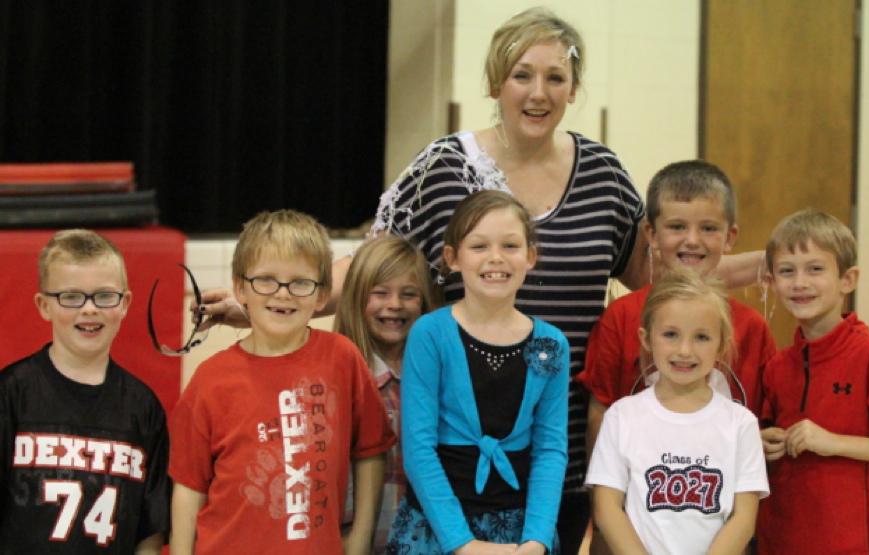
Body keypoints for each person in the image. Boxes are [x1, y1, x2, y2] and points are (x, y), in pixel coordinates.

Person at [194, 9, 764, 552]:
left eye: (555, 78)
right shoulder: (443, 168)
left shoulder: (605, 177)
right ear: (496, 83)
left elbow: (666, 281)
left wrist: (774, 268)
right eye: (522, 75)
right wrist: (279, 300)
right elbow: (370, 263)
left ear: (573, 89)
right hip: (454, 466)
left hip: (557, 460)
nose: (537, 92)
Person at [168, 210, 396, 555]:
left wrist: (360, 539)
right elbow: (189, 486)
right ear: (240, 288)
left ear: (322, 295)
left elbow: (371, 452)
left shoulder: (341, 358)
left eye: (300, 282)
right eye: (266, 280)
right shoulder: (210, 379)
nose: (283, 294)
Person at [385, 190, 569, 554]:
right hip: (438, 529)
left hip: (519, 532)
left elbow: (550, 449)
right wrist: (463, 545)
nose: (495, 258)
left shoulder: (551, 344)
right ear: (453, 258)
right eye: (479, 246)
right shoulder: (430, 334)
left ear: (531, 257)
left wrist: (536, 539)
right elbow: (419, 450)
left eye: (511, 246)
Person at [578, 160, 775, 462]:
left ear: (730, 237)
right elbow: (600, 410)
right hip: (634, 502)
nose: (692, 240)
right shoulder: (621, 317)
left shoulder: (751, 327)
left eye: (708, 228)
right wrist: (600, 499)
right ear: (652, 234)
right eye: (677, 227)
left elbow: (763, 424)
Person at [0, 229, 170, 554]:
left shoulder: (143, 407)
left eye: (104, 296)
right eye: (71, 296)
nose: (89, 309)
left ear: (125, 304)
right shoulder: (11, 394)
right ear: (43, 305)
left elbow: (150, 530)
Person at [586, 270, 769, 554]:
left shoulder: (740, 423)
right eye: (671, 334)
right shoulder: (623, 417)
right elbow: (607, 507)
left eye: (701, 337)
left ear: (722, 343)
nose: (685, 350)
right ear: (646, 339)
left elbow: (744, 518)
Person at [756, 209, 869, 555]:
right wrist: (761, 443)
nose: (800, 282)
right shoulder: (776, 366)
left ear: (847, 280)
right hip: (780, 542)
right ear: (772, 282)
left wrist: (833, 442)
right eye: (787, 271)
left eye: (815, 269)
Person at [333, 235, 437, 552]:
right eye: (380, 293)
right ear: (355, 298)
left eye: (408, 294)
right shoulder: (336, 378)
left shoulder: (436, 378)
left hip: (424, 541)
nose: (394, 304)